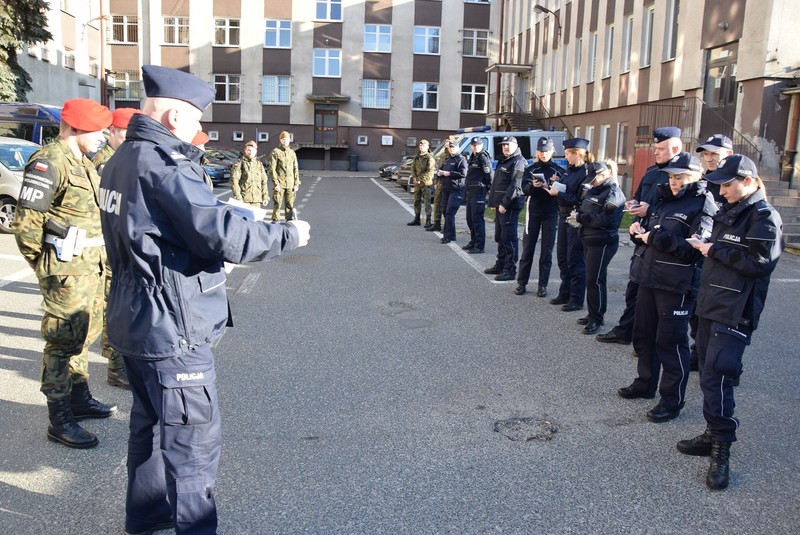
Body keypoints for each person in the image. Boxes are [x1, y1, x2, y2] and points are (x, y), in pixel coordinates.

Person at [99, 65, 311, 535]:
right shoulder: (163, 165)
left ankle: (146, 515)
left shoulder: (122, 158)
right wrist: (288, 234)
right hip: (172, 328)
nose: (201, 130)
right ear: (174, 117)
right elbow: (221, 236)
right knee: (192, 445)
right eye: (196, 120)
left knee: (150, 428)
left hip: (134, 319)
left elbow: (164, 228)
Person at [12, 98, 117, 449]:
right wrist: (45, 269)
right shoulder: (49, 161)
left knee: (82, 334)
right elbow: (26, 225)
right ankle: (59, 418)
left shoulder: (81, 161)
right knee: (61, 342)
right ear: (77, 128)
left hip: (89, 267)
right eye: (99, 130)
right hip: (67, 271)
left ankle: (79, 397)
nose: (104, 136)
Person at [677, 154, 782, 490]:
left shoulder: (764, 217)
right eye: (719, 184)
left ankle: (722, 447)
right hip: (710, 304)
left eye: (727, 184)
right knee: (708, 375)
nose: (721, 191)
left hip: (735, 312)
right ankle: (712, 432)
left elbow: (761, 263)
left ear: (748, 181)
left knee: (719, 377)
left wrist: (713, 250)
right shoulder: (729, 210)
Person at [617, 153, 716, 424]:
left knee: (670, 344)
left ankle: (672, 400)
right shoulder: (663, 198)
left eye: (680, 177)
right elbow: (647, 234)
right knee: (643, 336)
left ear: (695, 176)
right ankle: (645, 383)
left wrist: (656, 237)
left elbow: (694, 251)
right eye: (672, 177)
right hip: (648, 278)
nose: (674, 182)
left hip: (676, 284)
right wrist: (637, 232)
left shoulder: (703, 205)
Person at [596, 126, 683, 344]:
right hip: (642, 237)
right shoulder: (653, 171)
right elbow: (639, 195)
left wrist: (649, 211)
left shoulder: (681, 174)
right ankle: (627, 331)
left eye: (661, 149)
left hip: (665, 241)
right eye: (656, 148)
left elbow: (677, 210)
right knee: (634, 290)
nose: (656, 152)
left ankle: (650, 341)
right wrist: (633, 205)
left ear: (675, 148)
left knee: (657, 299)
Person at [92, 106, 141, 389]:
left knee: (123, 307)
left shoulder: (124, 157)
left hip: (120, 247)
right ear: (112, 131)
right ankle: (116, 367)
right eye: (125, 133)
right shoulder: (105, 162)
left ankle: (122, 362)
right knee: (114, 308)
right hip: (107, 250)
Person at [575, 161, 626, 333]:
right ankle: (594, 313)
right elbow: (586, 209)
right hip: (589, 238)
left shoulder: (613, 193)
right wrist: (582, 215)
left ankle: (596, 318)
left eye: (594, 178)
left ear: (604, 175)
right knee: (596, 278)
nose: (592, 182)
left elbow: (607, 220)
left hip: (603, 240)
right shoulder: (593, 190)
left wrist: (582, 218)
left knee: (594, 279)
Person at [548, 137, 593, 312]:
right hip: (563, 216)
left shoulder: (586, 173)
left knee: (574, 258)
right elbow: (566, 190)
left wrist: (556, 194)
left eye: (568, 154)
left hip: (575, 218)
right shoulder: (570, 171)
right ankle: (565, 292)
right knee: (562, 257)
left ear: (577, 154)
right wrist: (555, 185)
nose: (566, 157)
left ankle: (576, 298)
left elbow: (580, 199)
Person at [514, 136, 563, 296]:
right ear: (537, 152)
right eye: (541, 151)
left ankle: (543, 285)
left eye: (547, 151)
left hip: (551, 212)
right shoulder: (531, 169)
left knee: (547, 250)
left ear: (552, 151)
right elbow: (524, 189)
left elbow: (564, 189)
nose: (544, 154)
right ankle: (522, 283)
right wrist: (533, 186)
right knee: (528, 248)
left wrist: (555, 186)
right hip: (533, 211)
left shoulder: (558, 170)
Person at [484, 136, 526, 281]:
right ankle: (501, 264)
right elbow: (498, 184)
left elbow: (516, 185)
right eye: (503, 145)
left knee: (509, 239)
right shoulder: (505, 160)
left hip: (510, 206)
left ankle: (510, 269)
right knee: (500, 237)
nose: (505, 147)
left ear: (516, 145)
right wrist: (494, 203)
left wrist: (504, 203)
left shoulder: (519, 162)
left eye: (508, 145)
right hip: (500, 205)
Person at [462, 137, 492, 253]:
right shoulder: (474, 156)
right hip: (470, 192)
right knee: (470, 219)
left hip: (478, 192)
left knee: (477, 220)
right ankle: (473, 241)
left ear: (481, 145)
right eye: (473, 145)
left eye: (477, 145)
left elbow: (489, 175)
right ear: (471, 146)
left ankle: (479, 246)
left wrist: (487, 189)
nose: (475, 147)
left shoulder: (483, 157)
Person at [437, 139, 468, 244]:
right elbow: (440, 169)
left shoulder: (461, 159)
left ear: (457, 147)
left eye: (453, 147)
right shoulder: (448, 159)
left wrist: (449, 173)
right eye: (450, 147)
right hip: (446, 189)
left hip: (456, 189)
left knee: (450, 212)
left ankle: (448, 236)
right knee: (445, 211)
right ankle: (451, 234)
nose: (451, 149)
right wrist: (439, 173)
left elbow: (463, 173)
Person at [696, 133, 734, 209]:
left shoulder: (735, 184)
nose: (709, 159)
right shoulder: (702, 182)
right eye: (706, 154)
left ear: (729, 153)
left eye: (714, 154)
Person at [269, 130, 300, 221]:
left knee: (289, 204)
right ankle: (275, 222)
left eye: (286, 139)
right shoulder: (276, 152)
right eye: (283, 139)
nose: (285, 141)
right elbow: (272, 169)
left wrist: (296, 183)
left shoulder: (292, 153)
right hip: (280, 183)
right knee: (277, 203)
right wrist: (276, 183)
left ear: (289, 140)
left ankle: (289, 221)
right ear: (280, 140)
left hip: (290, 183)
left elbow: (295, 169)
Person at [231, 140, 269, 208]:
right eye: (249, 150)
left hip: (257, 199)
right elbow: (234, 181)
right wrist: (238, 197)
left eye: (253, 150)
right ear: (245, 150)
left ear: (256, 151)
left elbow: (264, 181)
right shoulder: (240, 163)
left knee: (256, 218)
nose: (251, 152)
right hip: (244, 199)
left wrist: (265, 196)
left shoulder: (259, 164)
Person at [407, 139, 435, 227]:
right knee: (416, 201)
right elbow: (413, 168)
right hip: (417, 183)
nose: (421, 147)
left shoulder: (429, 158)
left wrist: (419, 179)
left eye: (423, 145)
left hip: (426, 183)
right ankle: (417, 219)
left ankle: (428, 220)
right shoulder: (417, 157)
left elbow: (429, 172)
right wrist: (415, 178)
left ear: (427, 147)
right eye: (420, 145)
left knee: (427, 202)